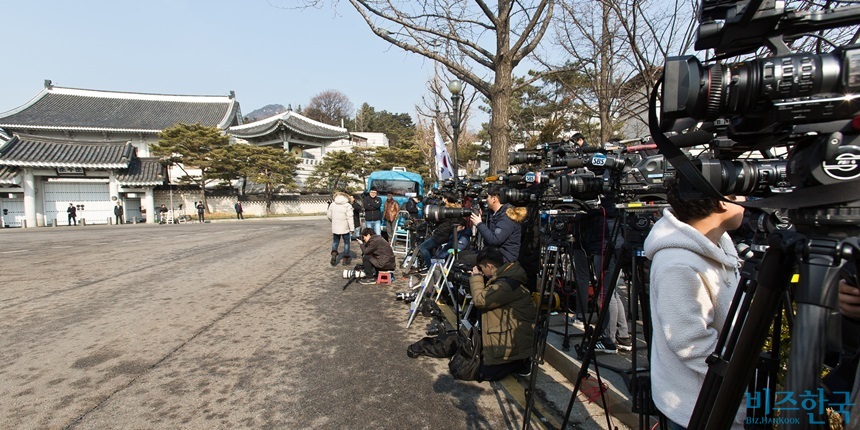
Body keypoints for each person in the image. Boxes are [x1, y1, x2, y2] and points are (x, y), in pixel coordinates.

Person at [643, 178, 746, 429]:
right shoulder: (677, 263)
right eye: (739, 196)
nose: (745, 202)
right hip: (696, 405)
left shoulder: (719, 244)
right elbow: (688, 341)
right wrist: (741, 372)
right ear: (722, 202)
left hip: (718, 396)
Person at [468, 246, 537, 381]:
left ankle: (520, 363)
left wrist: (476, 278)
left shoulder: (505, 284)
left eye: (482, 269)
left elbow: (480, 301)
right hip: (513, 338)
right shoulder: (507, 273)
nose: (481, 272)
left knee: (480, 373)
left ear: (489, 265)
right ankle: (518, 362)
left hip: (515, 343)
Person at [469, 184, 527, 264]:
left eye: (487, 197)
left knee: (463, 259)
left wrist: (479, 223)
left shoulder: (507, 217)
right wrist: (481, 219)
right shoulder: (497, 214)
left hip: (503, 261)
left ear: (494, 199)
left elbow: (494, 240)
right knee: (463, 255)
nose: (486, 200)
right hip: (494, 255)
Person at [418, 192, 465, 270]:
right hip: (445, 235)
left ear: (446, 200)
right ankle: (431, 265)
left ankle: (430, 268)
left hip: (441, 235)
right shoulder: (457, 210)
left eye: (443, 198)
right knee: (428, 248)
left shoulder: (444, 210)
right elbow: (462, 221)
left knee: (423, 247)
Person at [327, 191, 354, 266]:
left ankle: (334, 253)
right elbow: (350, 218)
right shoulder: (347, 205)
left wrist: (333, 221)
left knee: (335, 242)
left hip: (335, 227)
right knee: (346, 242)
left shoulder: (332, 204)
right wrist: (352, 229)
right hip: (345, 227)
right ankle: (345, 258)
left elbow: (329, 215)